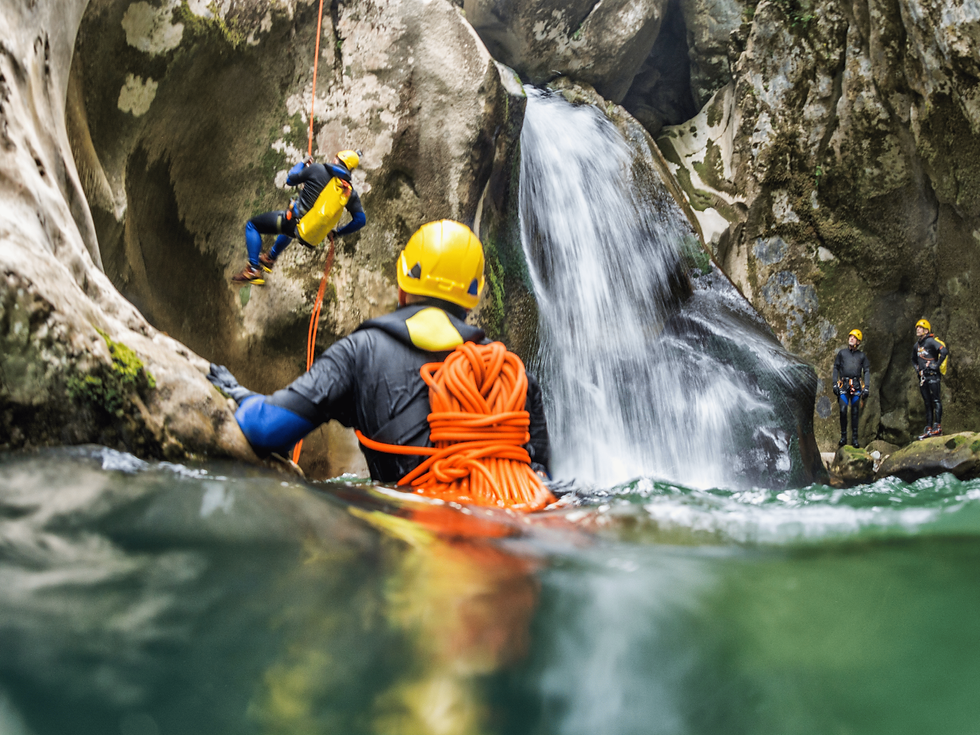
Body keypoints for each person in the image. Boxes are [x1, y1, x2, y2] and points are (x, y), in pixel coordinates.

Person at [210, 219, 551, 482]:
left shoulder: (361, 353)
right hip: (507, 538)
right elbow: (542, 478)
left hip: (408, 539)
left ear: (403, 284)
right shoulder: (512, 373)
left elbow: (267, 428)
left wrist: (240, 394)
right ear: (473, 297)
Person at [233, 149, 366, 285]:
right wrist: (337, 233)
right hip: (304, 230)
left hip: (291, 221)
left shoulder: (317, 169)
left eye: (336, 157)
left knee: (252, 225)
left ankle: (253, 269)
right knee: (289, 231)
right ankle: (270, 258)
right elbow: (361, 220)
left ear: (338, 160)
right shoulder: (348, 192)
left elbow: (290, 179)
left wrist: (302, 163)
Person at [832, 328, 871, 447]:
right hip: (844, 385)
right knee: (843, 410)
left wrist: (866, 387)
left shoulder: (861, 356)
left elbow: (867, 371)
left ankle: (855, 439)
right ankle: (843, 437)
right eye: (850, 337)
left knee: (855, 412)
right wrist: (834, 383)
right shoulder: (842, 353)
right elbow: (835, 367)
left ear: (858, 342)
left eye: (854, 338)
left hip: (856, 386)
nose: (851, 338)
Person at [912, 318, 949, 440]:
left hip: (933, 376)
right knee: (927, 403)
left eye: (920, 328)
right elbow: (913, 359)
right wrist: (918, 370)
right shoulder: (916, 345)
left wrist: (936, 365)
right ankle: (928, 427)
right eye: (917, 327)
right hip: (923, 377)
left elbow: (944, 351)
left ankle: (937, 427)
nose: (918, 329)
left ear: (926, 330)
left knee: (936, 400)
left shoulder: (931, 342)